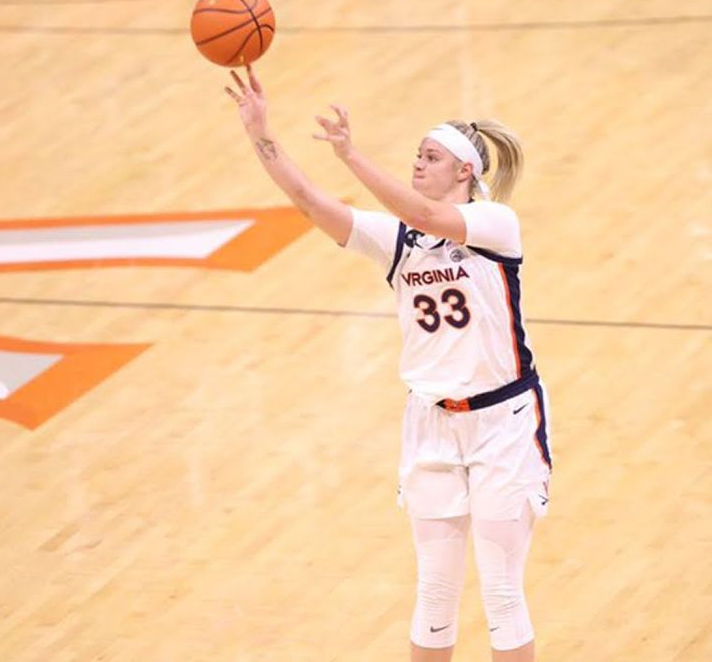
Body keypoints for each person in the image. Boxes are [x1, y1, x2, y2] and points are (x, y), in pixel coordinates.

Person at [225, 65, 551, 662]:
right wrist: (260, 133)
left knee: (502, 596)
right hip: (431, 423)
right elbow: (306, 200)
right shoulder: (394, 239)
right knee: (433, 596)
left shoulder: (494, 224)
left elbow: (428, 216)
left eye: (430, 157)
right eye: (416, 155)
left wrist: (350, 155)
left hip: (502, 422)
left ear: (465, 171)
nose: (418, 164)